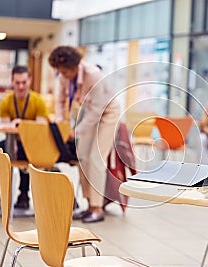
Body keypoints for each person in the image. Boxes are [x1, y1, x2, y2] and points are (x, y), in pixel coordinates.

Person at [48, 46, 120, 223]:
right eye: (60, 72)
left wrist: (75, 131)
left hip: (107, 113)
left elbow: (97, 111)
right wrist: (60, 121)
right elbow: (60, 99)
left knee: (96, 158)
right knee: (82, 157)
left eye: (65, 71)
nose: (62, 75)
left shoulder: (93, 75)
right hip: (88, 113)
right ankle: (89, 203)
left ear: (75, 67)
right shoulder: (65, 76)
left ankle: (97, 208)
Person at [0, 65, 48, 209]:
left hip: (32, 143)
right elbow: (7, 128)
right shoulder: (6, 102)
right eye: (17, 82)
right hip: (12, 140)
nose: (20, 86)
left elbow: (41, 127)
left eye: (24, 82)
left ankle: (24, 194)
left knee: (24, 154)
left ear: (30, 81)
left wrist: (22, 124)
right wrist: (12, 140)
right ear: (12, 81)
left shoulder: (38, 101)